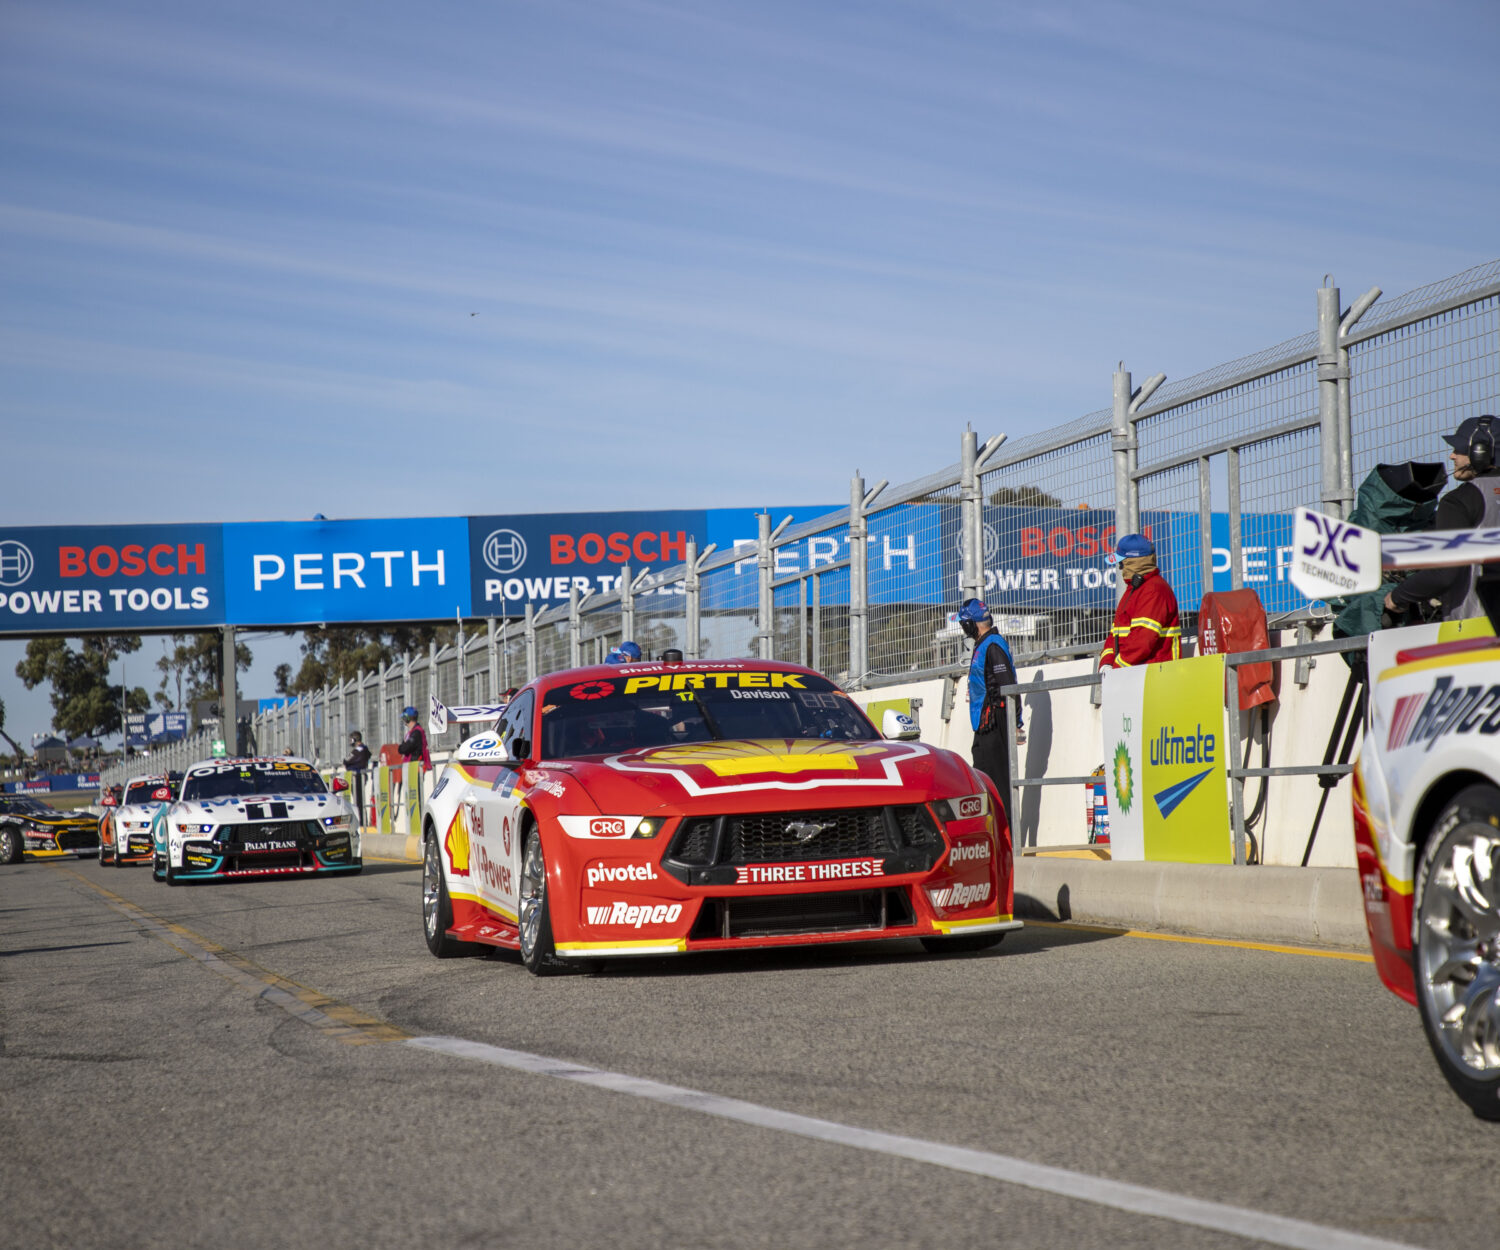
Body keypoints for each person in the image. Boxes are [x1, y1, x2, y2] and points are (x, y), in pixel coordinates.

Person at [1385, 415, 1500, 623]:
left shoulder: (1459, 501)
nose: (1452, 456)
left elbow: (1444, 574)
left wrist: (1397, 597)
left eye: (1459, 449)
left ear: (1479, 453)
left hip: (1479, 631)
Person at [959, 598, 1023, 828]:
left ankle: (1006, 837)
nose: (962, 628)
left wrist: (1013, 722)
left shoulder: (993, 645)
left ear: (971, 624)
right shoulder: (983, 644)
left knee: (998, 784)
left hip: (994, 723)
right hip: (984, 725)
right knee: (985, 780)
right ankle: (996, 832)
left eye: (964, 623)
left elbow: (1007, 686)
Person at [1098, 534, 1180, 669]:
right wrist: (1106, 662)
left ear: (1132, 563)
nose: (1120, 568)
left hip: (1155, 676)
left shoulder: (1154, 591)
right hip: (1135, 674)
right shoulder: (1134, 591)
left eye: (1121, 563)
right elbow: (1115, 636)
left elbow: (1143, 640)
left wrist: (1116, 668)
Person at [342, 731, 372, 827]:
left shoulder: (358, 750)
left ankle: (362, 823)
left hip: (357, 777)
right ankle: (362, 822)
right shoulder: (364, 749)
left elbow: (346, 760)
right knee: (359, 801)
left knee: (358, 802)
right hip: (359, 776)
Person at [398, 705, 431, 772]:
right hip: (412, 767)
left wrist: (403, 745)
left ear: (407, 718)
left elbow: (403, 748)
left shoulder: (416, 732)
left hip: (415, 768)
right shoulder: (412, 732)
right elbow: (402, 749)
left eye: (404, 718)